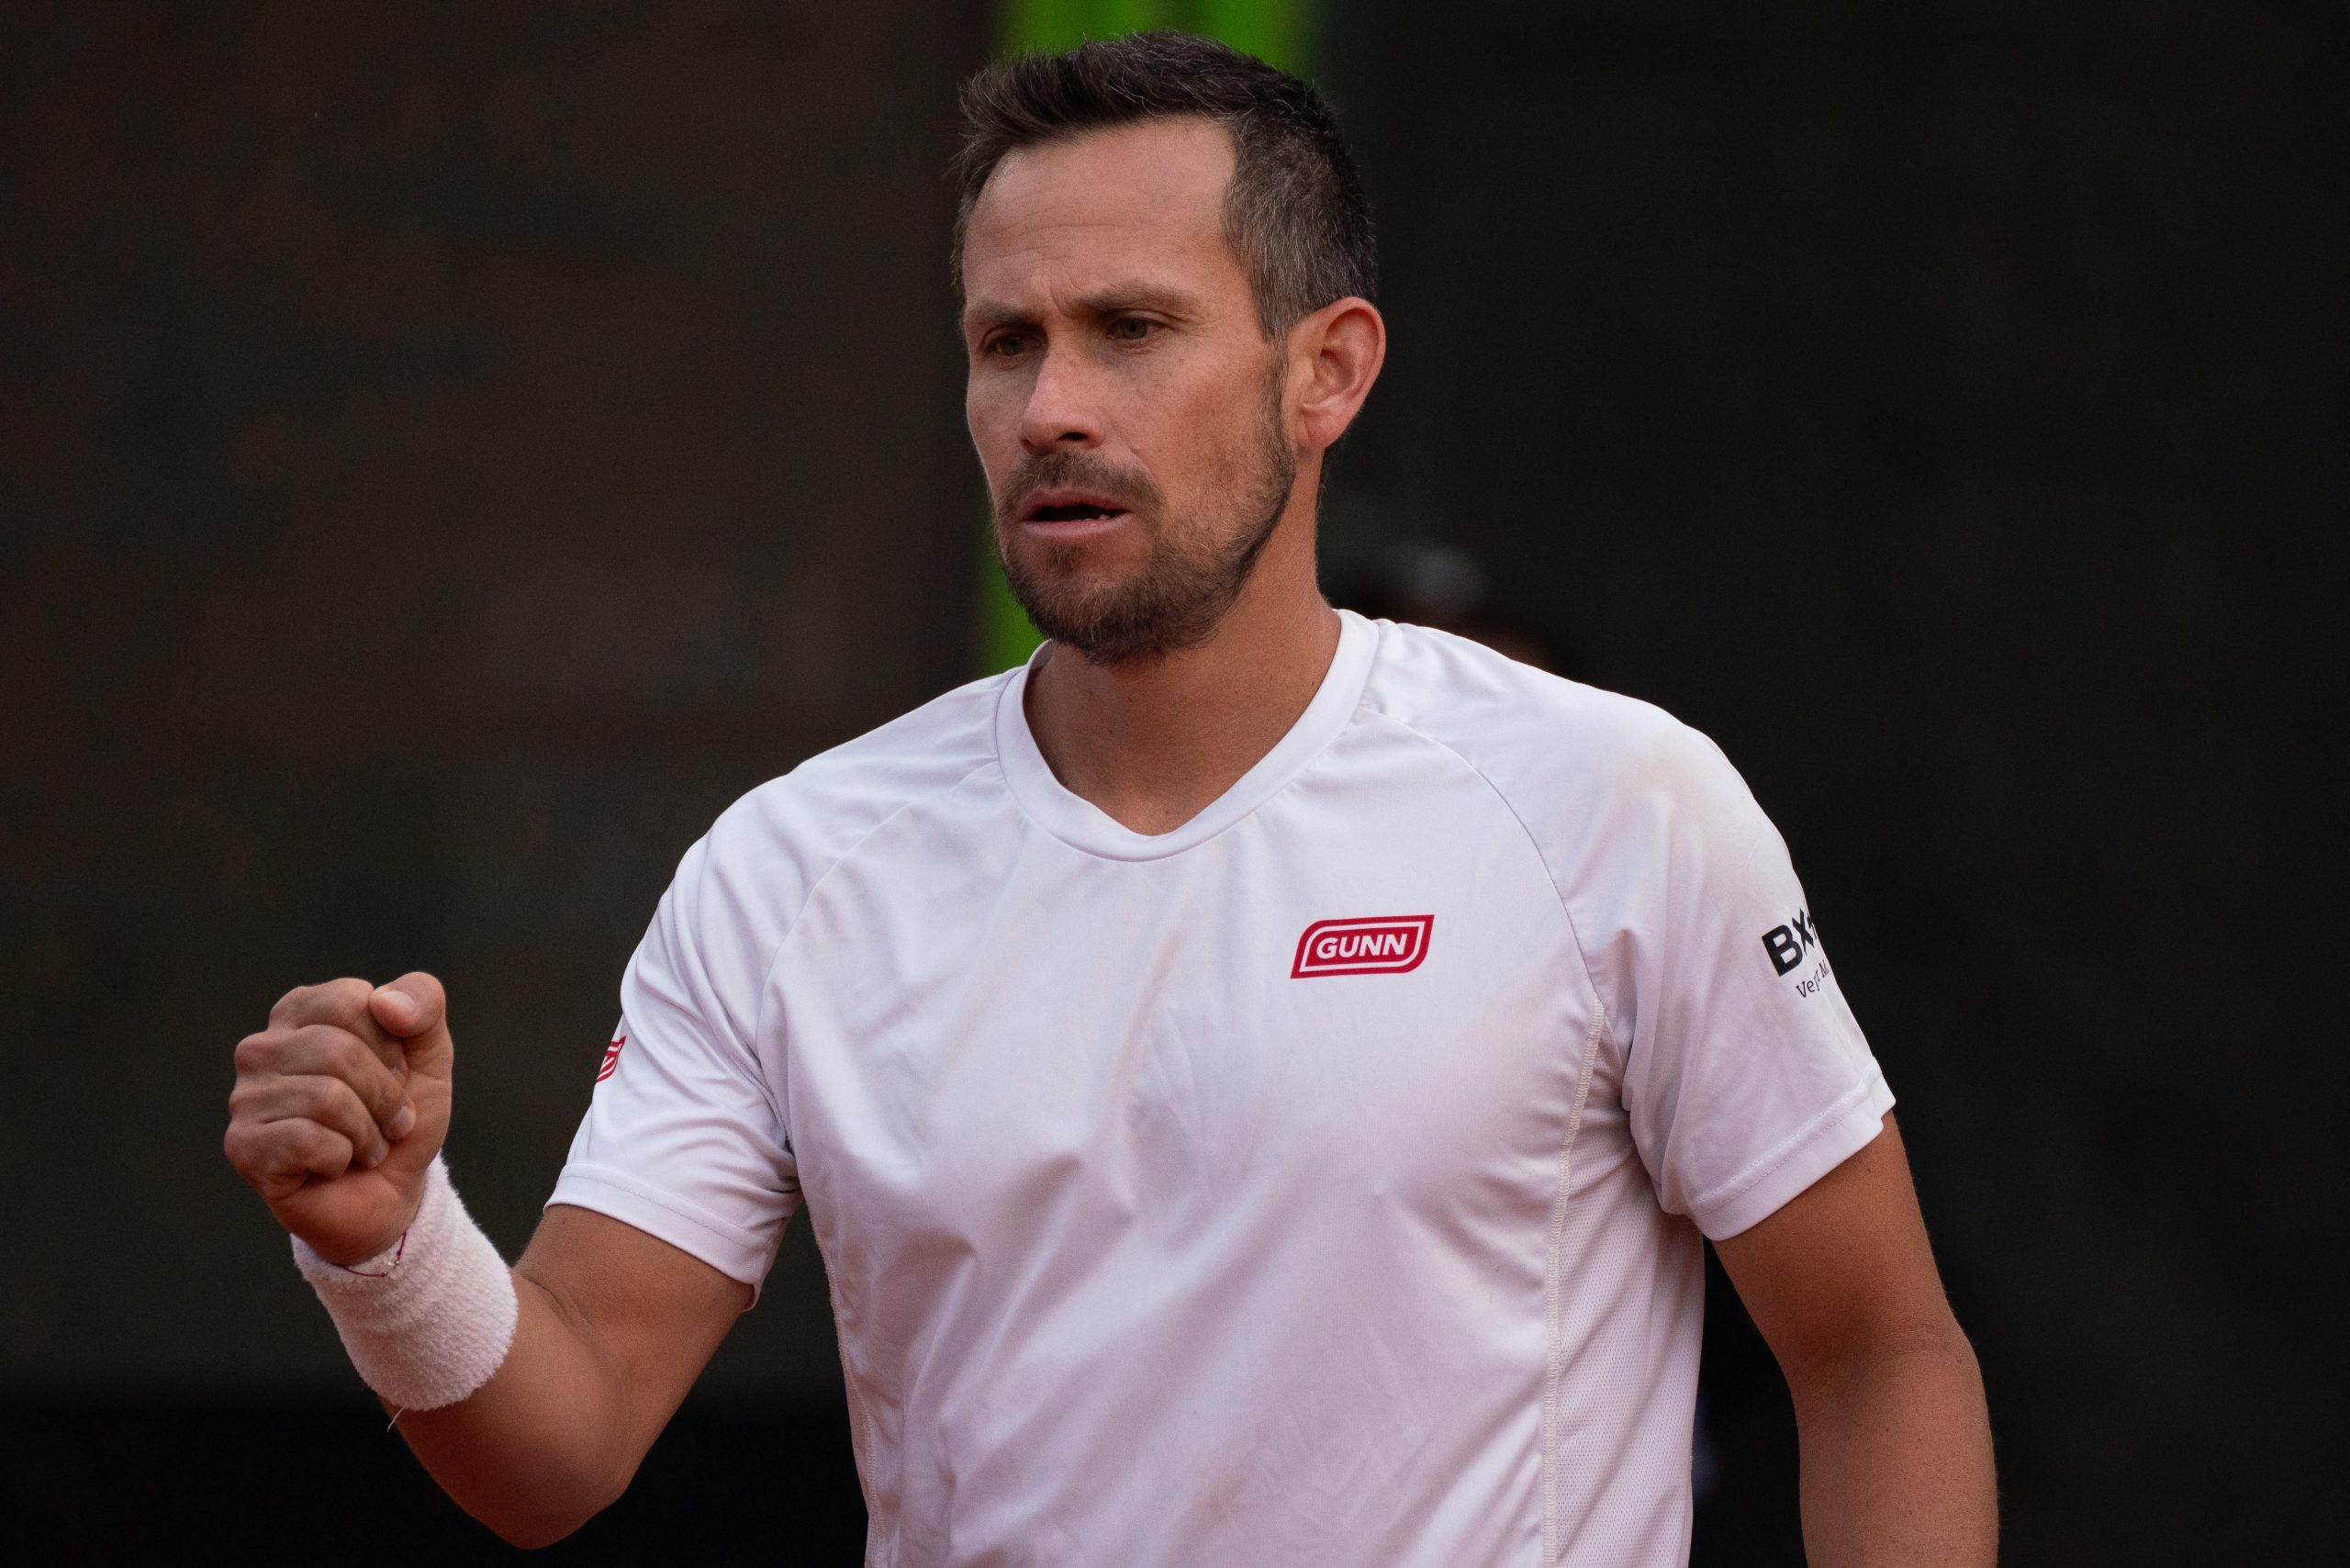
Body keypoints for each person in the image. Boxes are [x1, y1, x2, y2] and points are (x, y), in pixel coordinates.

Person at [223, 32, 1995, 1566]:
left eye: (1132, 329)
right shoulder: (792, 867)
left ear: (1329, 370)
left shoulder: (1612, 799)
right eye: (1006, 342)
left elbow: (1880, 1353)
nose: (1051, 406)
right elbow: (561, 1448)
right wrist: (387, 1247)